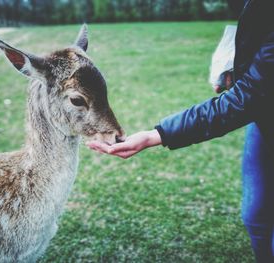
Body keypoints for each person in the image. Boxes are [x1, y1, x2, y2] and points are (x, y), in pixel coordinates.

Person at [86, 0, 274, 262]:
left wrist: (156, 135)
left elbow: (245, 99)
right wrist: (238, 61)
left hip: (260, 107)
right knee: (255, 217)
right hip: (265, 119)